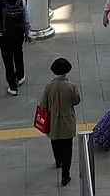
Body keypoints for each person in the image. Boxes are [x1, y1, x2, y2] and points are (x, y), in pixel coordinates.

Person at [38, 58, 82, 187]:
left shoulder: (49, 86)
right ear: (67, 71)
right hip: (67, 121)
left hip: (53, 121)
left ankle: (58, 161)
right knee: (67, 148)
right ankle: (65, 176)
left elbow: (43, 104)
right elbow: (76, 101)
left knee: (55, 141)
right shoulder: (71, 86)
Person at [0, 0, 33, 95]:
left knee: (7, 59)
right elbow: (26, 19)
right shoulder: (21, 2)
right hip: (18, 33)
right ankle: (20, 76)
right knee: (18, 53)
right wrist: (27, 33)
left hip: (3, 35)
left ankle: (13, 87)